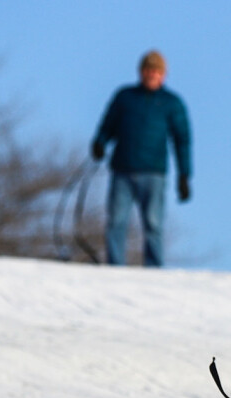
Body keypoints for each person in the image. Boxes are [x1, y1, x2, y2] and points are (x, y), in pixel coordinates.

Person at [91, 50, 192, 267]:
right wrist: (99, 142)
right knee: (116, 222)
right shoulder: (125, 97)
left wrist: (184, 176)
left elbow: (182, 141)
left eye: (157, 71)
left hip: (154, 172)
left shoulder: (171, 103)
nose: (152, 75)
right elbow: (107, 124)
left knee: (153, 224)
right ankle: (115, 266)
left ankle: (153, 268)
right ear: (141, 72)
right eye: (148, 70)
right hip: (122, 170)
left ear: (163, 75)